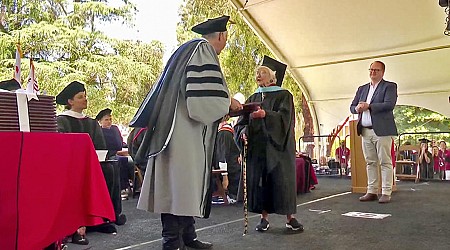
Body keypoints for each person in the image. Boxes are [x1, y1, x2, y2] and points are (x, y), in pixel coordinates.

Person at [131, 16, 242, 250]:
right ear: (221, 36)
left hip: (175, 130)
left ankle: (187, 236)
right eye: (225, 40)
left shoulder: (186, 50)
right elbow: (202, 102)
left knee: (182, 188)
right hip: (183, 134)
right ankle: (172, 243)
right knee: (177, 189)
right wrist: (227, 102)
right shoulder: (203, 50)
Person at [234, 55, 303, 232]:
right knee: (261, 183)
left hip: (279, 148)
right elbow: (241, 123)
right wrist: (243, 134)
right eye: (257, 73)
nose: (258, 75)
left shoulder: (284, 95)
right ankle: (263, 218)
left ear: (272, 77)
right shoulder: (252, 97)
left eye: (263, 72)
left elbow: (285, 119)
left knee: (282, 182)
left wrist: (267, 115)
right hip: (258, 149)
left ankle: (290, 218)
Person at [56, 81, 118, 245]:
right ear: (70, 101)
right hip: (71, 165)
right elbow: (61, 146)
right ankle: (76, 223)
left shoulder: (91, 123)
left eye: (85, 96)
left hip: (93, 164)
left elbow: (100, 146)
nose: (85, 100)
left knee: (109, 169)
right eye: (80, 97)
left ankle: (102, 218)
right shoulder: (61, 121)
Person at [350, 61, 398, 204]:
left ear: (383, 72)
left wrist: (369, 106)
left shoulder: (389, 86)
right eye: (371, 70)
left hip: (382, 131)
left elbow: (389, 104)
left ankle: (386, 191)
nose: (373, 72)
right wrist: (357, 108)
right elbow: (352, 106)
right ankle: (371, 191)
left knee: (385, 162)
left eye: (376, 70)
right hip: (365, 130)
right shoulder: (362, 88)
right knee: (370, 162)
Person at [214, 117, 241, 203]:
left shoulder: (224, 132)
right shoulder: (227, 131)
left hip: (231, 171)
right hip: (233, 167)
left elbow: (222, 156)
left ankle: (230, 195)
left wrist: (225, 177)